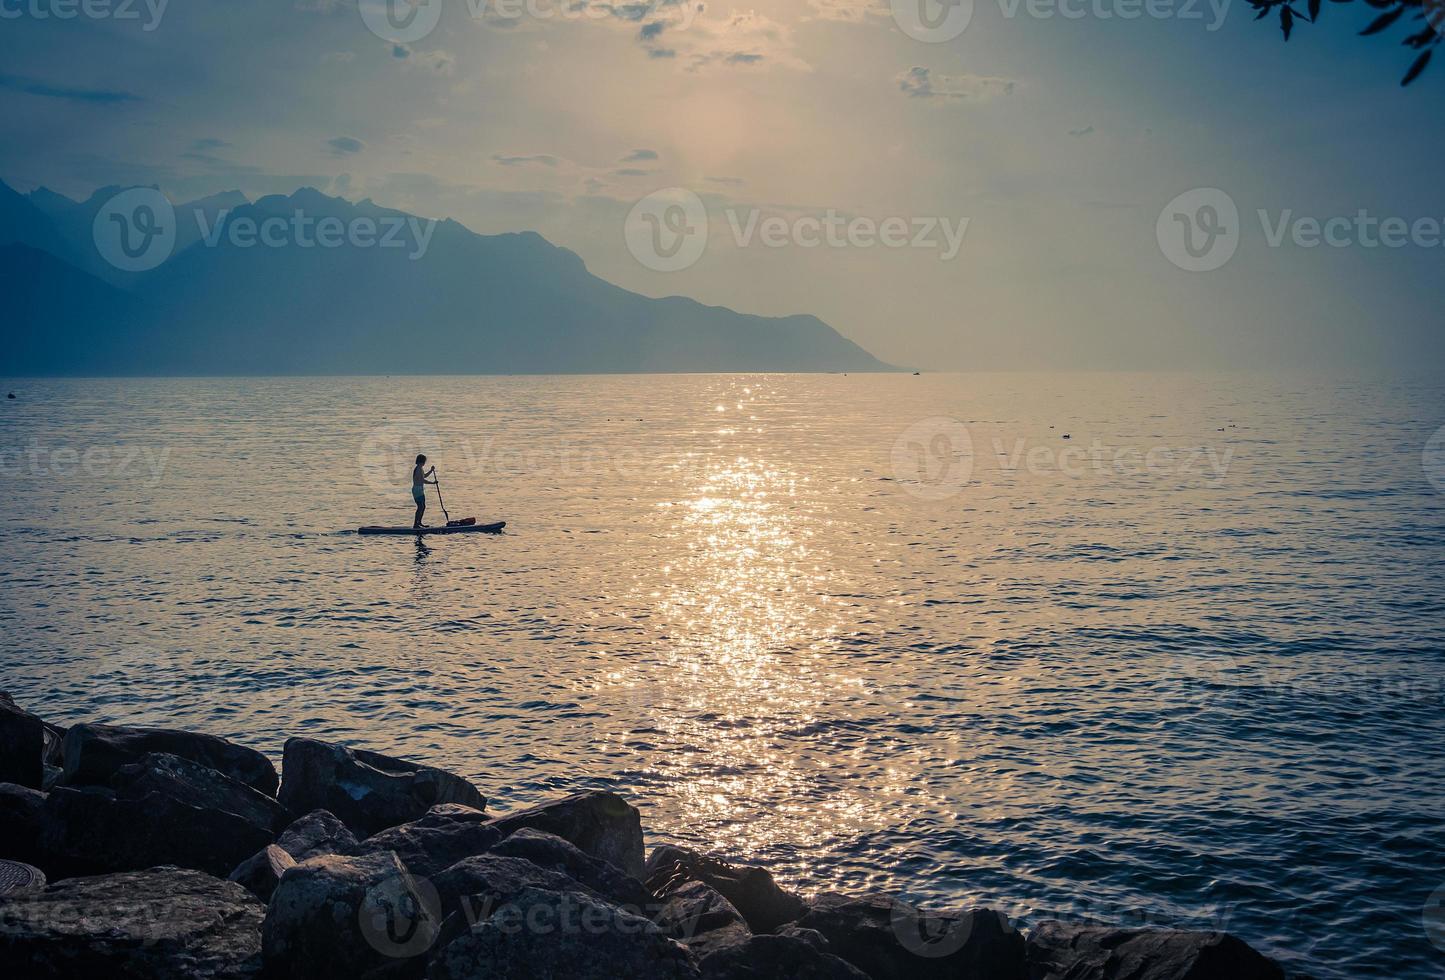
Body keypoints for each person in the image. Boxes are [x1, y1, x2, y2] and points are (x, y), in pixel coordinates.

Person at [411, 454, 437, 528]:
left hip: (420, 490)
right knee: (420, 507)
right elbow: (423, 480)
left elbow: (424, 476)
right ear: (421, 461)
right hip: (417, 490)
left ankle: (419, 522)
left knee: (423, 506)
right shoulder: (418, 469)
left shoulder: (420, 468)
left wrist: (431, 471)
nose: (425, 463)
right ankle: (416, 524)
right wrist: (432, 483)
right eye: (424, 461)